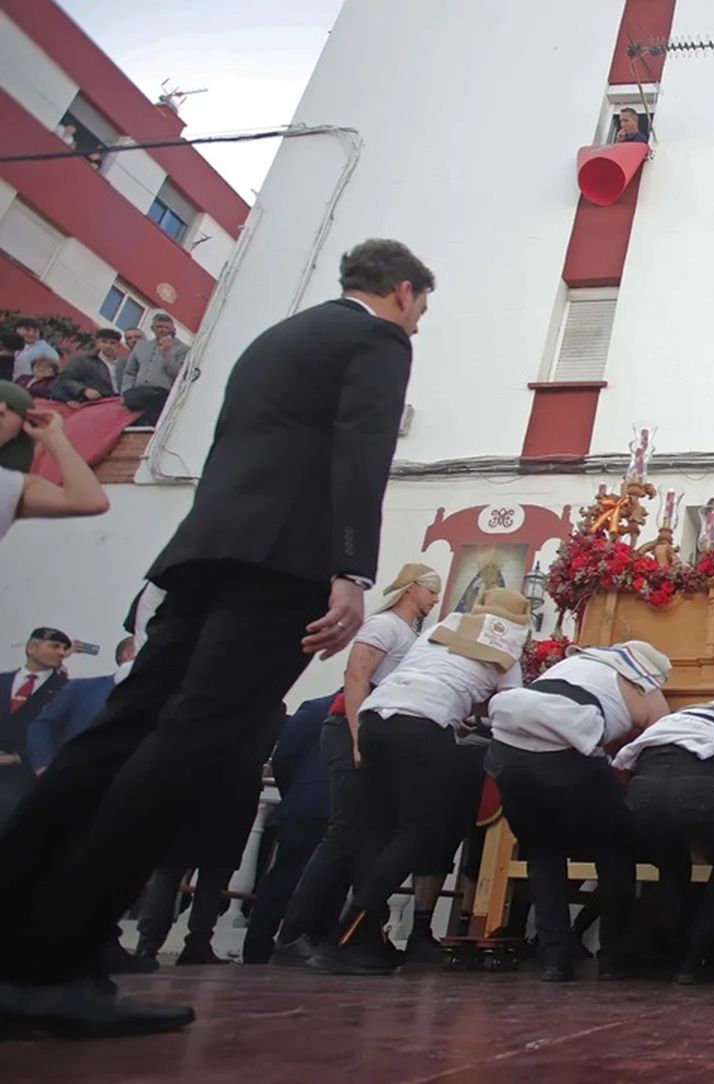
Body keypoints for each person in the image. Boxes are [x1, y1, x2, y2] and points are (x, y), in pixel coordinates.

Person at [0, 237, 433, 1037]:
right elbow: (361, 448)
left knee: (122, 731)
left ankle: (18, 926)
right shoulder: (378, 339)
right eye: (421, 310)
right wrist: (350, 568)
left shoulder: (277, 337)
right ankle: (54, 961)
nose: (417, 323)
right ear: (403, 292)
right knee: (190, 746)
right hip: (283, 560)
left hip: (205, 552)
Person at [310, 589, 527, 975]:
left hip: (376, 717)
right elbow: (510, 709)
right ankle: (345, 937)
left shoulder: (445, 625)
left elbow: (434, 672)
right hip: (424, 725)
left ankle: (365, 938)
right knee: (421, 831)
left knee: (377, 829)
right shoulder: (507, 643)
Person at [273, 563, 442, 965]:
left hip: (373, 731)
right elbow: (356, 676)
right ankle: (292, 934)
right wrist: (357, 735)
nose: (435, 599)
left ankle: (349, 934)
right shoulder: (385, 626)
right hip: (353, 727)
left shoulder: (408, 634)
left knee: (367, 839)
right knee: (343, 833)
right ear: (411, 588)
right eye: (431, 590)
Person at [486, 640, 672, 980]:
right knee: (615, 851)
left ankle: (554, 960)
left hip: (507, 752)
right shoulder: (644, 684)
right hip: (568, 758)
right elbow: (665, 740)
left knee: (543, 855)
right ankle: (613, 958)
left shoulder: (570, 666)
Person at [615, 689, 714, 984]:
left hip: (642, 788)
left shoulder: (680, 716)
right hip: (699, 785)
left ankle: (673, 956)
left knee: (671, 869)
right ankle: (695, 958)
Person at [134, 706, 282, 967]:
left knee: (171, 873)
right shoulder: (270, 708)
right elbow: (266, 750)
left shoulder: (210, 698)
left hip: (193, 789)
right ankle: (197, 944)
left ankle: (148, 945)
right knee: (210, 878)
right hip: (233, 797)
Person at [243, 693, 338, 963]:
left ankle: (258, 949)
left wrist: (295, 791)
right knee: (325, 883)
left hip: (306, 803)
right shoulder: (360, 711)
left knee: (285, 877)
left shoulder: (315, 708)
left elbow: (285, 756)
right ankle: (309, 944)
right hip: (329, 807)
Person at [24, 637, 136, 773]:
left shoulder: (157, 696)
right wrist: (44, 766)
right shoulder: (82, 688)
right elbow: (43, 724)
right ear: (129, 654)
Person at [0, 627, 73, 825]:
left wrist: (17, 756)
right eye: (55, 646)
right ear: (32, 648)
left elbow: (61, 732)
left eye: (64, 648)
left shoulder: (65, 689)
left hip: (26, 773)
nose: (61, 652)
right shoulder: (3, 680)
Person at [118, 313, 188, 425]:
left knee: (150, 425)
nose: (163, 330)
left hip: (161, 395)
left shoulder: (183, 349)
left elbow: (179, 374)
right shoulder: (141, 346)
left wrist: (167, 352)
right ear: (152, 328)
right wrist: (126, 392)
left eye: (167, 327)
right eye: (159, 327)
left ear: (173, 329)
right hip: (138, 393)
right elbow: (130, 372)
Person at [52, 329, 124, 405]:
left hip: (119, 402)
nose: (108, 346)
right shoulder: (84, 360)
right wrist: (83, 390)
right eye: (104, 341)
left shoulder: (123, 364)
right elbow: (65, 379)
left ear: (118, 345)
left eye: (112, 343)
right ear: (97, 343)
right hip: (96, 403)